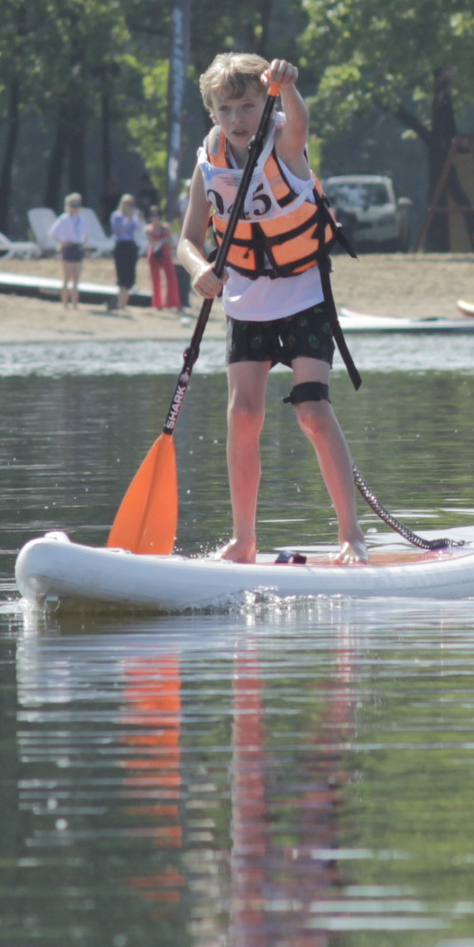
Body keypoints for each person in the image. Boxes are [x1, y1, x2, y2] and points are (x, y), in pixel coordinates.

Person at [175, 52, 369, 567]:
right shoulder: (208, 162)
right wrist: (198, 269)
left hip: (304, 295)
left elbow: (299, 120)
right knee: (242, 415)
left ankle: (351, 536)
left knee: (311, 410)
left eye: (248, 105)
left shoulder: (286, 141)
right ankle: (244, 540)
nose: (237, 119)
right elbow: (187, 241)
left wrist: (286, 87)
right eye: (225, 109)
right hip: (246, 302)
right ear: (212, 114)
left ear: (267, 105)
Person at [108, 193, 143, 315]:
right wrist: (128, 218)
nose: (130, 207)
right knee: (121, 275)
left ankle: (124, 303)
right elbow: (119, 230)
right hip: (121, 245)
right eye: (127, 204)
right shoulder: (116, 216)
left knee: (130, 275)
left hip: (131, 246)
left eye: (132, 204)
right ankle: (120, 304)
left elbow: (139, 229)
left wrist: (136, 218)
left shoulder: (134, 217)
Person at [51, 193, 87, 308]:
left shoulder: (82, 219)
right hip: (68, 247)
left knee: (76, 277)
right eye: (73, 205)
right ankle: (65, 303)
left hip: (77, 247)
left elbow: (86, 233)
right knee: (67, 277)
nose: (75, 208)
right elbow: (52, 232)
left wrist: (82, 242)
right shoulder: (64, 219)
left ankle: (75, 303)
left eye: (77, 205)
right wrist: (62, 242)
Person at [144, 202, 180, 312]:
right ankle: (157, 304)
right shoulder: (148, 229)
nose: (155, 218)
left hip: (165, 254)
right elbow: (152, 243)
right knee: (155, 279)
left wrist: (162, 241)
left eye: (157, 215)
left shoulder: (166, 227)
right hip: (154, 255)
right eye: (153, 215)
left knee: (171, 278)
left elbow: (170, 241)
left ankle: (173, 303)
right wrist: (163, 241)